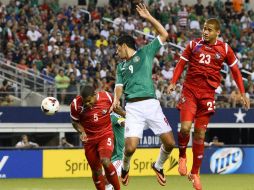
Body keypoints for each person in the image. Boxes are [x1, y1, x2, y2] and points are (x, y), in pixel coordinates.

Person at [167, 18, 250, 190]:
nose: (205, 32)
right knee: (184, 128)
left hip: (207, 95)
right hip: (190, 91)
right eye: (204, 28)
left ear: (217, 32)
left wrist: (243, 93)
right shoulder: (193, 45)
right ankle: (182, 155)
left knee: (199, 133)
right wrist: (173, 82)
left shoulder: (225, 49)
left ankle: (195, 173)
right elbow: (181, 63)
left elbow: (235, 71)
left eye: (209, 29)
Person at [112, 3, 175, 187]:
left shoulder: (146, 53)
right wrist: (116, 98)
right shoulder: (120, 67)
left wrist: (148, 18)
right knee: (130, 148)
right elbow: (118, 86)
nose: (117, 52)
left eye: (118, 48)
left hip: (152, 105)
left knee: (170, 143)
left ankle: (158, 165)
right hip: (133, 107)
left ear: (124, 46)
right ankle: (124, 167)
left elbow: (164, 35)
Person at [70, 85, 121, 190]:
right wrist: (82, 132)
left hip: (105, 134)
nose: (87, 104)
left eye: (89, 101)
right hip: (90, 140)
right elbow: (75, 123)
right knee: (96, 171)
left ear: (95, 95)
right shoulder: (75, 105)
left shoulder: (107, 97)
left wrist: (127, 116)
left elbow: (116, 109)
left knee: (105, 161)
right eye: (85, 102)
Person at [105, 112, 125, 190]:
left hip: (118, 157)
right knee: (106, 181)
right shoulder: (106, 117)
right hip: (111, 157)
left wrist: (123, 122)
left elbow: (122, 121)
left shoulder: (114, 116)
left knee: (108, 180)